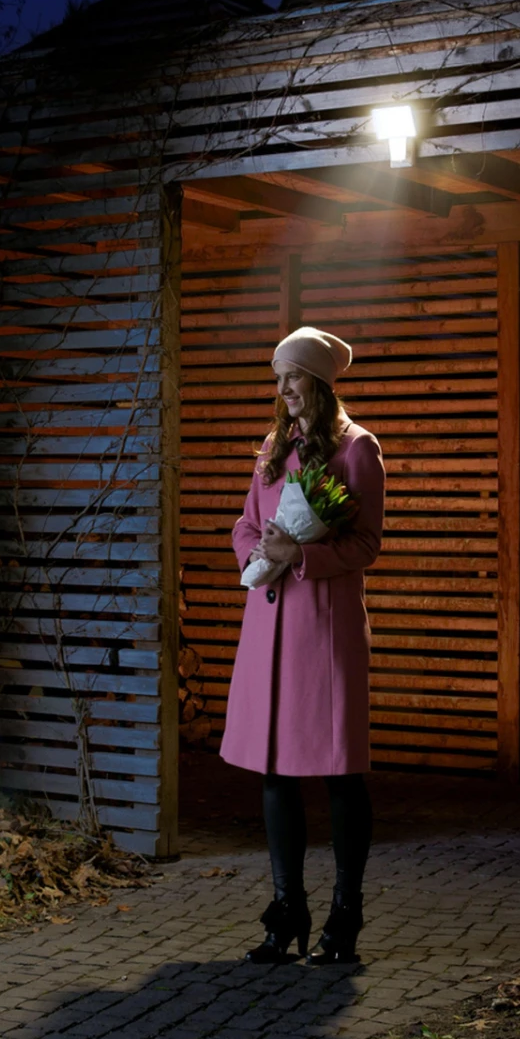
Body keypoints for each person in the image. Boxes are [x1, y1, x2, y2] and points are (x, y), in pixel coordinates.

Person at [220, 325, 385, 965]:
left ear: (319, 381)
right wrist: (258, 554)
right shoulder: (273, 446)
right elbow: (246, 522)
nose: (284, 388)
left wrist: (302, 556)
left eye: (293, 377)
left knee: (341, 772)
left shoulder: (358, 449)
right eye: (279, 378)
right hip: (268, 628)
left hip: (324, 629)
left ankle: (346, 915)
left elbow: (366, 544)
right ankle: (287, 910)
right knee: (274, 771)